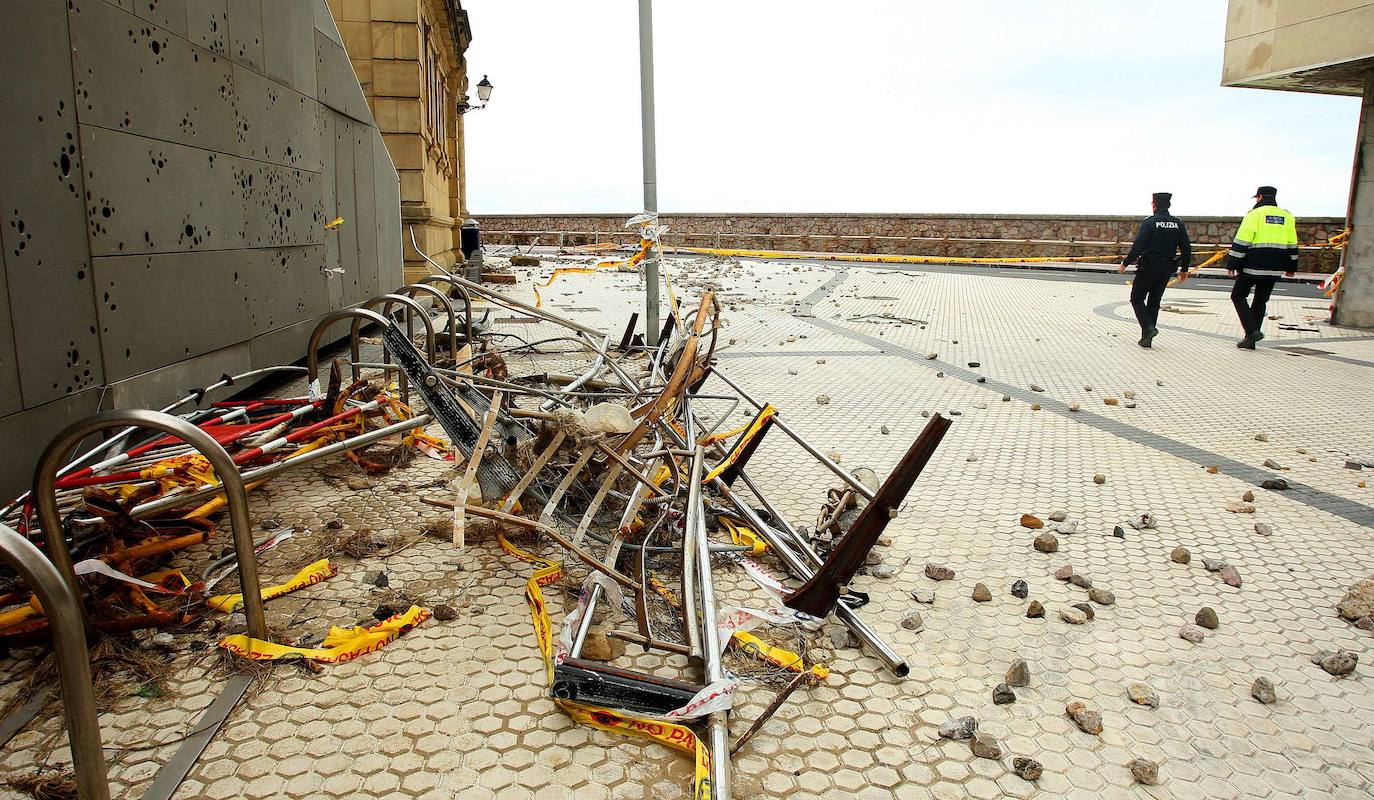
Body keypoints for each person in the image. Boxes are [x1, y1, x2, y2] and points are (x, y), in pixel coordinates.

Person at [1226, 186, 1298, 349]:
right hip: (1275, 267)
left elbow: (1242, 241)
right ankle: (1251, 339)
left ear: (1259, 197)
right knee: (1260, 300)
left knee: (1238, 296)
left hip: (1253, 265)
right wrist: (1291, 266)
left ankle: (1252, 331)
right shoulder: (1287, 216)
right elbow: (1292, 243)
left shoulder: (1254, 215)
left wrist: (1232, 264)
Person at [1119, 192, 1191, 348]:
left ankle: (1148, 328)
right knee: (1154, 302)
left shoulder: (1150, 222)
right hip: (1166, 268)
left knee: (1137, 298)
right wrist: (1184, 269)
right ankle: (1147, 339)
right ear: (1169, 205)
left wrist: (1125, 263)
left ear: (1154, 204)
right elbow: (1186, 247)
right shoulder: (1177, 223)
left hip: (1149, 266)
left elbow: (1138, 245)